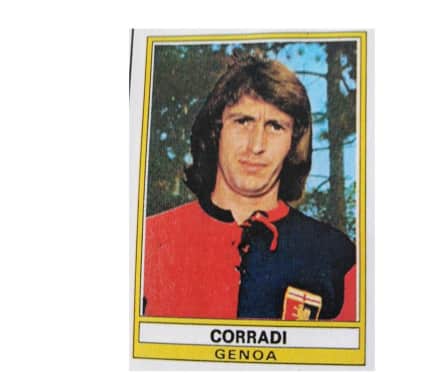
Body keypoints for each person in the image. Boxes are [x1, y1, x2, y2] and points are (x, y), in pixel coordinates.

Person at [143, 54, 356, 321]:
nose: (256, 146)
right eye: (243, 121)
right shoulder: (149, 240)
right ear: (216, 131)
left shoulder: (337, 256)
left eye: (275, 126)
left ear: (293, 142)